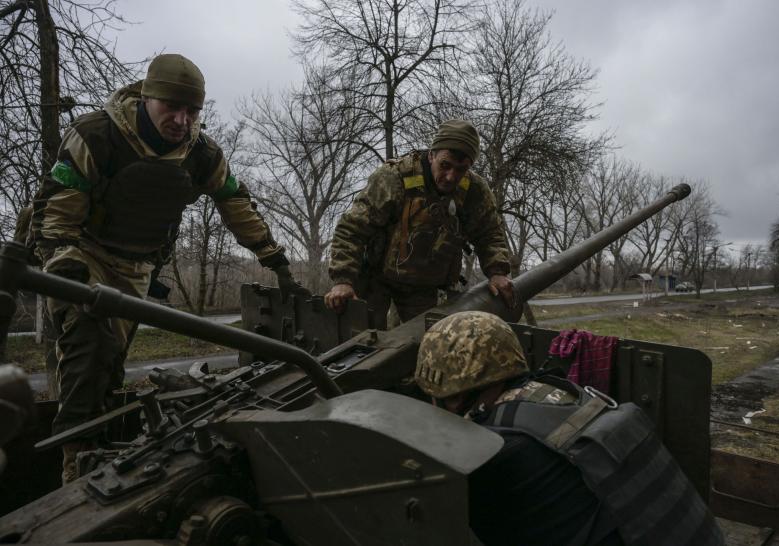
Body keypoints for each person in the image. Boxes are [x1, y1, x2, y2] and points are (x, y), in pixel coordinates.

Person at [30, 53, 309, 483]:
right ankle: (75, 470)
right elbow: (55, 217)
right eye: (170, 108)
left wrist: (274, 258)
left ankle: (102, 455)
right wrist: (67, 269)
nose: (181, 120)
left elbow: (235, 202)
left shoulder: (201, 154)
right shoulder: (96, 136)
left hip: (137, 266)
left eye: (192, 110)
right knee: (86, 352)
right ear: (146, 98)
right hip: (81, 256)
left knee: (110, 367)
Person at [414, 311, 725, 546]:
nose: (438, 408)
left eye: (448, 398)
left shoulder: (498, 451)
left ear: (473, 390)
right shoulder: (563, 393)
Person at [324, 120, 514, 326]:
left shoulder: (474, 190)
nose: (451, 176)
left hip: (424, 285)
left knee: (425, 345)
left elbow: (489, 232)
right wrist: (343, 280)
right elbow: (352, 228)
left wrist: (498, 272)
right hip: (376, 277)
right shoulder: (394, 178)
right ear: (431, 155)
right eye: (445, 165)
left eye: (461, 169)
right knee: (362, 341)